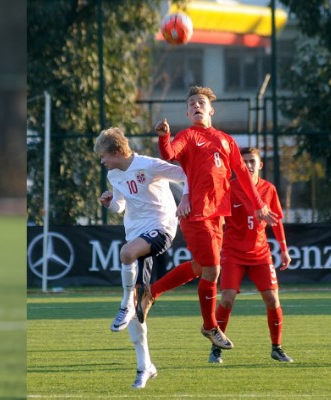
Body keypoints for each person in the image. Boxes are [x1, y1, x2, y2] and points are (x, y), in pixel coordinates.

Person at [136, 86, 279, 351]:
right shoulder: (188, 135)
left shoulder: (226, 140)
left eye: (201, 102)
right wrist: (164, 136)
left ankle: (152, 292)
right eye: (192, 104)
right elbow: (169, 155)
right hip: (196, 213)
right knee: (213, 270)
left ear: (211, 110)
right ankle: (210, 326)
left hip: (217, 215)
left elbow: (243, 175)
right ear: (188, 113)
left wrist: (258, 205)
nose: (196, 106)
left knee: (201, 268)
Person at [94, 127, 189, 389]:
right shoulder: (115, 174)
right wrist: (110, 202)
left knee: (126, 252)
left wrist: (185, 201)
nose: (102, 162)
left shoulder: (148, 165)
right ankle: (144, 365)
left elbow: (185, 174)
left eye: (104, 156)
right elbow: (120, 206)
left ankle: (124, 303)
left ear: (116, 151)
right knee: (140, 308)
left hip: (161, 228)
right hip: (136, 233)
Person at [208, 147, 293, 364]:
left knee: (273, 299)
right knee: (227, 298)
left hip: (261, 254)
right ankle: (216, 349)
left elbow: (277, 220)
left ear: (260, 164)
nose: (248, 165)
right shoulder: (229, 188)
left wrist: (283, 249)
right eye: (244, 161)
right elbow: (217, 217)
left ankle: (277, 348)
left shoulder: (269, 189)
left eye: (252, 161)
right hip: (233, 253)